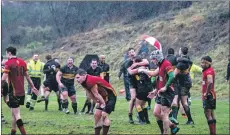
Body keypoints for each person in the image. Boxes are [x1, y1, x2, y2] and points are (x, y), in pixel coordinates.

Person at [138, 50, 179, 135]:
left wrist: (165, 87)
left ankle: (165, 133)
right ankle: (172, 126)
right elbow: (153, 74)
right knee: (156, 112)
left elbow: (172, 76)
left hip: (167, 92)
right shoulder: (160, 65)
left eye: (153, 59)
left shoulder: (166, 64)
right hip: (160, 92)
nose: (152, 61)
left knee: (164, 114)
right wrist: (155, 90)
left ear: (158, 58)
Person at [1, 46, 39, 135]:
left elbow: (3, 78)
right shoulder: (22, 62)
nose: (6, 55)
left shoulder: (8, 63)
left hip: (13, 92)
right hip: (21, 92)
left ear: (9, 53)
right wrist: (32, 86)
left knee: (17, 114)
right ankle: (13, 131)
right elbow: (27, 76)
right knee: (14, 112)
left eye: (6, 53)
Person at [75, 69, 117, 135]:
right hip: (102, 96)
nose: (77, 80)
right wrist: (97, 102)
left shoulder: (90, 80)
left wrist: (103, 104)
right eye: (76, 78)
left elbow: (96, 94)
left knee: (104, 115)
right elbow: (89, 93)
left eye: (78, 77)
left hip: (110, 96)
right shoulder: (83, 81)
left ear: (84, 75)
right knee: (97, 115)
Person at [125, 47, 149, 124]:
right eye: (130, 52)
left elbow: (147, 62)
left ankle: (142, 117)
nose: (132, 53)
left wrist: (137, 64)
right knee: (133, 98)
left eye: (133, 51)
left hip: (139, 81)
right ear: (128, 55)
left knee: (141, 100)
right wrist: (139, 68)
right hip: (132, 81)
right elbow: (130, 72)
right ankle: (130, 115)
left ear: (135, 53)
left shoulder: (138, 59)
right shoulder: (128, 62)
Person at [174, 57, 194, 125]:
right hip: (186, 83)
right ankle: (175, 119)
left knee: (184, 102)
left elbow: (173, 75)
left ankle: (190, 120)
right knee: (179, 101)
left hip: (183, 85)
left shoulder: (180, 65)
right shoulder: (188, 64)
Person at [200, 56, 216, 135]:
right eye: (201, 62)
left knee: (208, 113)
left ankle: (212, 133)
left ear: (209, 63)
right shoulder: (206, 70)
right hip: (211, 95)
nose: (202, 64)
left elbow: (210, 82)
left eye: (204, 62)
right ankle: (213, 133)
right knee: (211, 113)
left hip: (209, 95)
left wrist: (206, 93)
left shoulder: (209, 71)